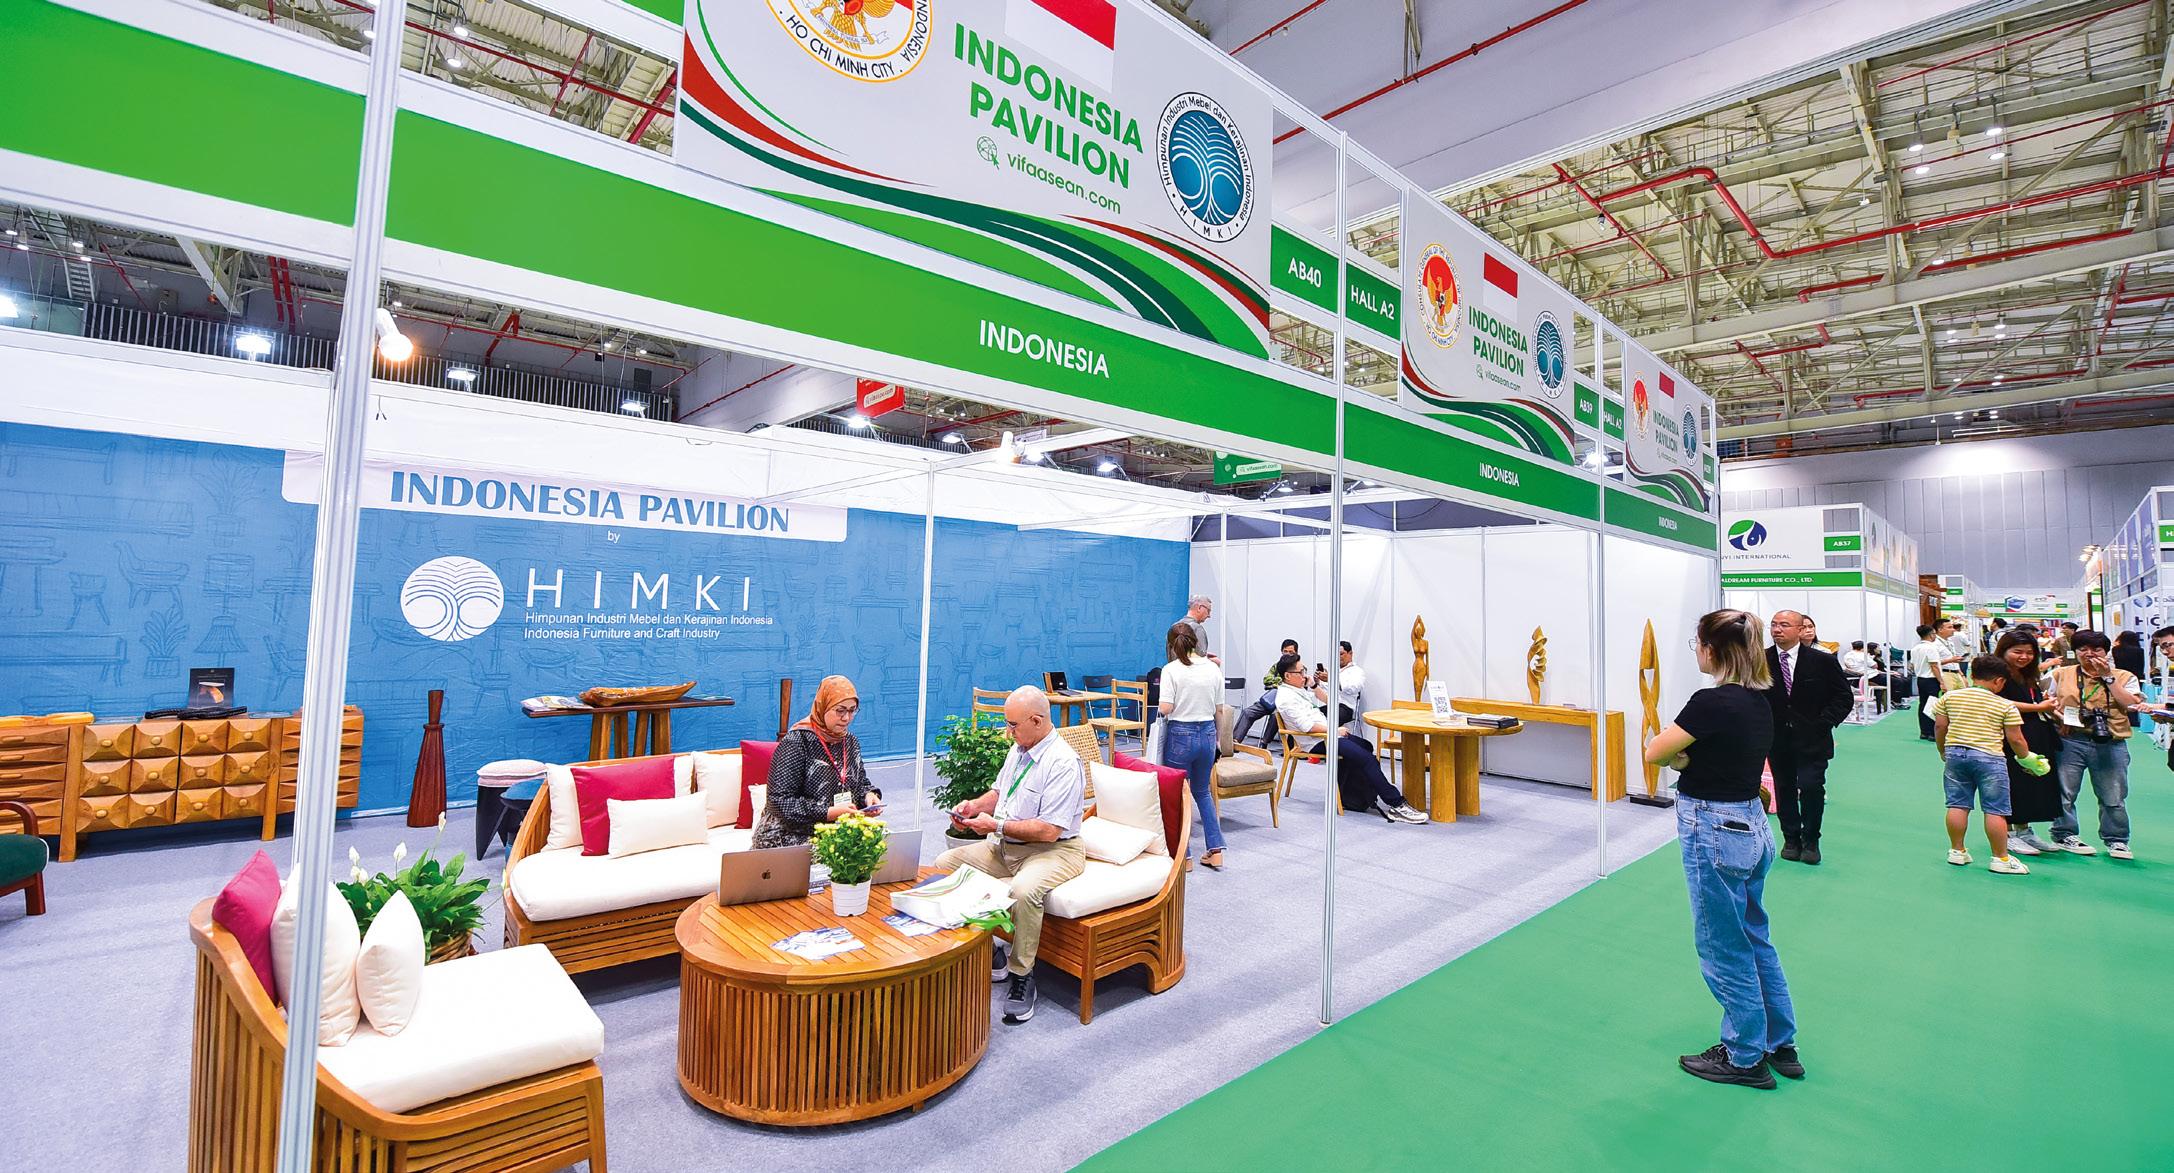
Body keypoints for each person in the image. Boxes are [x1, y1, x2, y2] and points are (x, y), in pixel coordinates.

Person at [1643, 609, 1798, 1089]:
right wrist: (1686, 758)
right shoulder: (1759, 700)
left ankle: (1744, 1055)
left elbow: (1654, 751)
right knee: (1753, 934)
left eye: (1698, 643)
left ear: (1713, 649)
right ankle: (1779, 1041)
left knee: (1721, 944)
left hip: (1714, 827)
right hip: (1751, 824)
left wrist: (1681, 759)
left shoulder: (1709, 702)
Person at [937, 686, 1088, 1023]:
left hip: (1054, 850)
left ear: (1037, 721)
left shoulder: (1062, 762)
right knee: (945, 866)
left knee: (1023, 890)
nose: (1008, 732)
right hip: (1008, 846)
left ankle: (1023, 975)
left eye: (1013, 725)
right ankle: (993, 950)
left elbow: (1049, 830)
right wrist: (973, 806)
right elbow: (999, 792)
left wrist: (996, 825)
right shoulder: (1020, 749)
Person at [1271, 653, 1424, 823]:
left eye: (1304, 670)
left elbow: (1330, 701)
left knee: (1366, 746)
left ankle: (1352, 796)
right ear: (1288, 676)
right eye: (1301, 672)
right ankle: (1397, 803)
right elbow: (1308, 727)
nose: (1304, 675)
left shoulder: (1298, 690)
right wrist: (1334, 730)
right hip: (1317, 741)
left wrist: (1314, 685)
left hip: (1326, 736)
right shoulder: (1286, 698)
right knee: (1367, 759)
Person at [1929, 655, 2037, 875]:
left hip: (1955, 754)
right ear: (1999, 681)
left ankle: (1957, 851)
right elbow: (2016, 739)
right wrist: (2026, 759)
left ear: (1972, 675)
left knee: (1957, 804)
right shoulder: (2004, 705)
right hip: (1990, 758)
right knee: (1995, 809)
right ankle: (2001, 858)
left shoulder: (1950, 697)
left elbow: (1940, 726)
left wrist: (1942, 750)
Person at [2045, 631, 2146, 859]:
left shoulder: (2124, 676)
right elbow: (2047, 702)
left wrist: (2108, 677)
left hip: (2111, 741)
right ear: (2075, 652)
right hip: (2070, 740)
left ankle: (2117, 840)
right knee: (2065, 792)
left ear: (2106, 652)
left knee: (2114, 795)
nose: (2089, 654)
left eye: (2096, 649)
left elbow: (2131, 705)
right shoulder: (2061, 674)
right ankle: (2064, 834)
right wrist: (2060, 718)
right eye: (2083, 649)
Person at [1764, 611, 1853, 865]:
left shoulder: (1822, 660)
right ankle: (1791, 838)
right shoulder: (1760, 659)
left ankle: (1811, 839)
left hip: (1813, 738)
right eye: (1774, 625)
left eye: (1784, 625)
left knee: (1811, 787)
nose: (1777, 629)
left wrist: (1824, 723)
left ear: (1800, 629)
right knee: (1784, 788)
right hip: (1777, 739)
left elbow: (1843, 696)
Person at [752, 675, 878, 849]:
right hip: (788, 834)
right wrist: (828, 812)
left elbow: (860, 782)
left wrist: (869, 797)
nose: (846, 718)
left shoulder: (850, 741)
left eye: (852, 711)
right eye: (840, 710)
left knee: (877, 845)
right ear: (822, 706)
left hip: (834, 830)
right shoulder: (797, 741)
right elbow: (778, 801)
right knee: (842, 853)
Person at [1159, 622, 1227, 872]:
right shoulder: (1213, 669)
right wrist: (1217, 741)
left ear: (1171, 645)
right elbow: (1220, 711)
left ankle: (1184, 856)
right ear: (1196, 642)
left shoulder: (1170, 670)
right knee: (1202, 792)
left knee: (1178, 795)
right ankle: (1216, 850)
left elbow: (1165, 707)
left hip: (1180, 734)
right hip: (1208, 734)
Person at [1992, 632, 2063, 855]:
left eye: (2029, 653)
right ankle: (2008, 834)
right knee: (2011, 783)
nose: (2024, 657)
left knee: (2030, 782)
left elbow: (2034, 701)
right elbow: (1997, 702)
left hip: (2035, 733)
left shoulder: (2028, 674)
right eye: (2017, 652)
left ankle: (2024, 831)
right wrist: (2038, 707)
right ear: (2004, 650)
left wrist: (2047, 707)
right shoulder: (1997, 673)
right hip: (2008, 736)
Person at [1233, 638, 1299, 748]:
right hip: (1271, 700)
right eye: (1285, 651)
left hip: (1285, 704)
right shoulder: (1276, 666)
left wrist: (1278, 683)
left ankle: (1264, 743)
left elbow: (1296, 686)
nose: (1287, 654)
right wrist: (1281, 682)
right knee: (1248, 712)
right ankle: (1235, 742)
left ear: (1296, 653)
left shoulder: (1299, 668)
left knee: (1275, 715)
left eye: (1291, 652)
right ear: (1281, 651)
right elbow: (1267, 680)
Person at [1910, 624, 1945, 740]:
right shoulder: (1931, 648)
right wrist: (1941, 681)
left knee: (1923, 704)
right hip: (1931, 679)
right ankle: (1932, 733)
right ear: (1931, 635)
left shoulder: (1915, 648)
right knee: (1933, 705)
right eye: (1934, 634)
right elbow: (1934, 666)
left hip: (1920, 679)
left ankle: (1924, 732)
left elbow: (1912, 665)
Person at [1177, 596, 1221, 665]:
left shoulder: (1173, 628)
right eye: (1208, 611)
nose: (1209, 615)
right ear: (1199, 608)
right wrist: (1213, 661)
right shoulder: (1197, 629)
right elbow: (1200, 660)